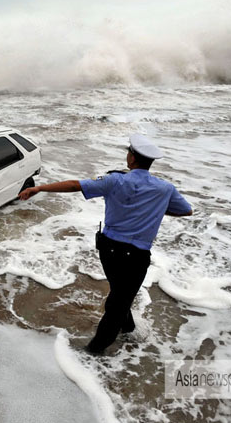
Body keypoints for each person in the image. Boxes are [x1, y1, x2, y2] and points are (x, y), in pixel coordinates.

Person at [19, 134, 193, 355]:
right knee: (119, 300)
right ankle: (103, 345)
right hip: (136, 256)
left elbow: (75, 185)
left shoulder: (115, 180)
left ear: (131, 159)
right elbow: (186, 210)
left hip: (108, 251)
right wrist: (156, 209)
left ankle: (97, 349)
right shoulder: (164, 189)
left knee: (118, 297)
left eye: (129, 152)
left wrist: (39, 188)